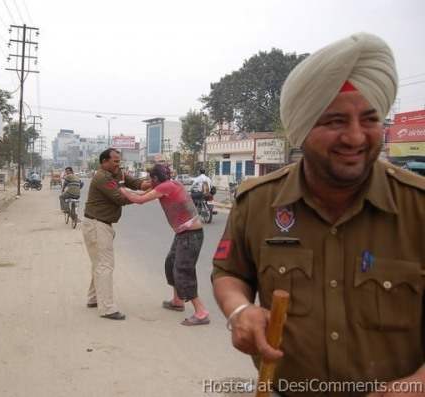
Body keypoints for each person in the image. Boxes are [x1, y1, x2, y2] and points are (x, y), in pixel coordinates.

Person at [211, 32, 424, 396]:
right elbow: (228, 272)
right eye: (335, 122)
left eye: (370, 119)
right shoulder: (258, 203)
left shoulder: (417, 207)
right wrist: (239, 312)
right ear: (302, 128)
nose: (355, 137)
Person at [119, 164, 210, 326]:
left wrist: (121, 189)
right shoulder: (168, 185)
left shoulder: (167, 186)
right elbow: (142, 193)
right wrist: (128, 188)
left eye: (149, 178)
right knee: (170, 264)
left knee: (183, 271)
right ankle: (177, 301)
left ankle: (201, 312)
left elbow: (139, 200)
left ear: (155, 178)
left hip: (191, 235)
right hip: (183, 234)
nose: (148, 181)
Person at [82, 148, 151, 320]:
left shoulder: (117, 173)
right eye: (115, 161)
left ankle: (94, 298)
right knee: (105, 265)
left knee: (99, 263)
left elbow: (136, 183)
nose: (118, 164)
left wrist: (154, 183)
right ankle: (106, 308)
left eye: (119, 161)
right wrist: (145, 197)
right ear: (104, 162)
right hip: (96, 224)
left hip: (102, 225)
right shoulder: (102, 177)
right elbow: (120, 198)